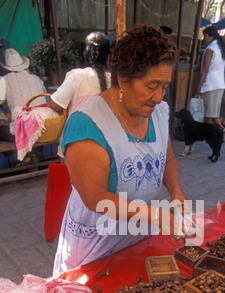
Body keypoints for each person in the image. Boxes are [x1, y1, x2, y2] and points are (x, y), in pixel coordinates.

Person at [53, 24, 186, 275]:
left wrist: (177, 194)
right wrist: (156, 216)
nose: (159, 97)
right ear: (123, 79)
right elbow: (95, 198)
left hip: (139, 238)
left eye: (164, 86)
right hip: (96, 247)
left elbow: (166, 158)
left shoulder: (158, 112)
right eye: (151, 86)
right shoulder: (87, 125)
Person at [50, 31, 111, 157]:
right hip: (106, 144)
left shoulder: (76, 76)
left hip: (74, 142)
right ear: (108, 57)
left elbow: (55, 105)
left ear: (85, 54)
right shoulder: (115, 80)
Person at [0, 48, 46, 144]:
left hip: (24, 131)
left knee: (6, 130)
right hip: (44, 128)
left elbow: (1, 100)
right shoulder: (37, 79)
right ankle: (34, 154)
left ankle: (26, 158)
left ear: (7, 69)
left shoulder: (5, 80)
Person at [196, 26, 225, 132]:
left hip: (210, 85)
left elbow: (205, 71)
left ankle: (208, 132)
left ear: (211, 36)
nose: (203, 39)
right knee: (212, 111)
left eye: (205, 36)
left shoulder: (210, 49)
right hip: (219, 84)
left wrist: (199, 86)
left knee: (208, 113)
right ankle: (219, 128)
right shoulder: (220, 47)